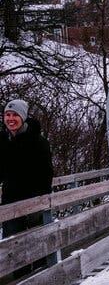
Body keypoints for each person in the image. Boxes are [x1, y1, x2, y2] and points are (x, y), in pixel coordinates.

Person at [1, 100, 53, 275]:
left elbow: (47, 175)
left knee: (37, 245)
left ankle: (43, 277)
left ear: (23, 117)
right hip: (10, 204)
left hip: (34, 203)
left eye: (15, 115)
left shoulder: (38, 142)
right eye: (7, 114)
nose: (10, 118)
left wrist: (40, 202)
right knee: (14, 250)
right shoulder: (2, 141)